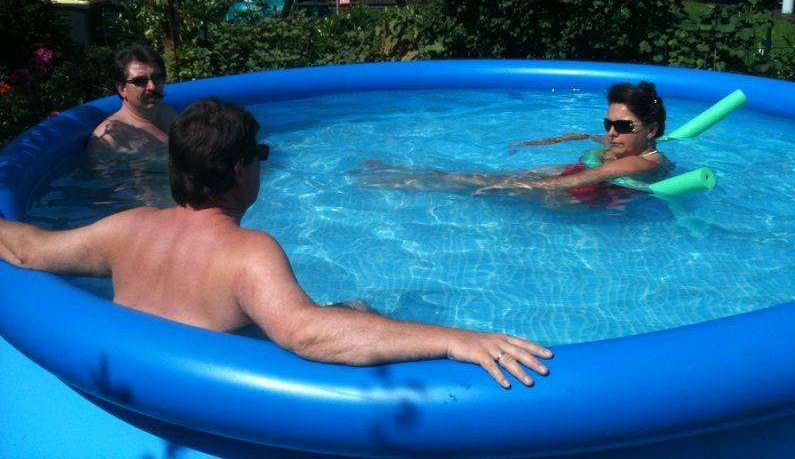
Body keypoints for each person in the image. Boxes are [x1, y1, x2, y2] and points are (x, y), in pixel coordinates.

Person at [0, 99, 552, 389]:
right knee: (355, 315)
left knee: (351, 310)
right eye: (259, 157)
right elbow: (307, 335)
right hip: (211, 413)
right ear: (240, 170)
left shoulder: (127, 229)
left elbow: (27, 250)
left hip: (129, 389)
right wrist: (456, 340)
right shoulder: (248, 253)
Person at [355, 82, 671, 204]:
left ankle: (402, 181)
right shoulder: (626, 145)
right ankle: (402, 177)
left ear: (651, 130)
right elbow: (587, 137)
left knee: (478, 183)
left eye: (622, 126)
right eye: (608, 124)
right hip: (569, 178)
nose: (612, 133)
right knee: (473, 178)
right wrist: (539, 142)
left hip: (572, 195)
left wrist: (512, 187)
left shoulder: (637, 162)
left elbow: (582, 179)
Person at [86, 44, 178, 154]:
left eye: (157, 78)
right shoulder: (108, 139)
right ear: (122, 89)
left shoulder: (168, 113)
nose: (152, 87)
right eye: (140, 81)